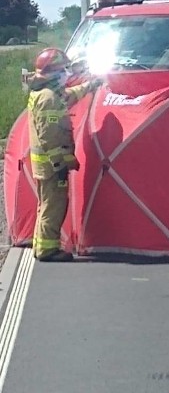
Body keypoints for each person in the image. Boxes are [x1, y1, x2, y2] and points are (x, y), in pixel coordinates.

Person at [27, 48, 101, 262]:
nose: (66, 74)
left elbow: (70, 95)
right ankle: (47, 250)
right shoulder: (49, 98)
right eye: (62, 70)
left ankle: (40, 246)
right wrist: (60, 164)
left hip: (46, 165)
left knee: (47, 205)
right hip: (52, 165)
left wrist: (91, 85)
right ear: (53, 72)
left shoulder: (47, 92)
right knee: (54, 206)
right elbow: (48, 136)